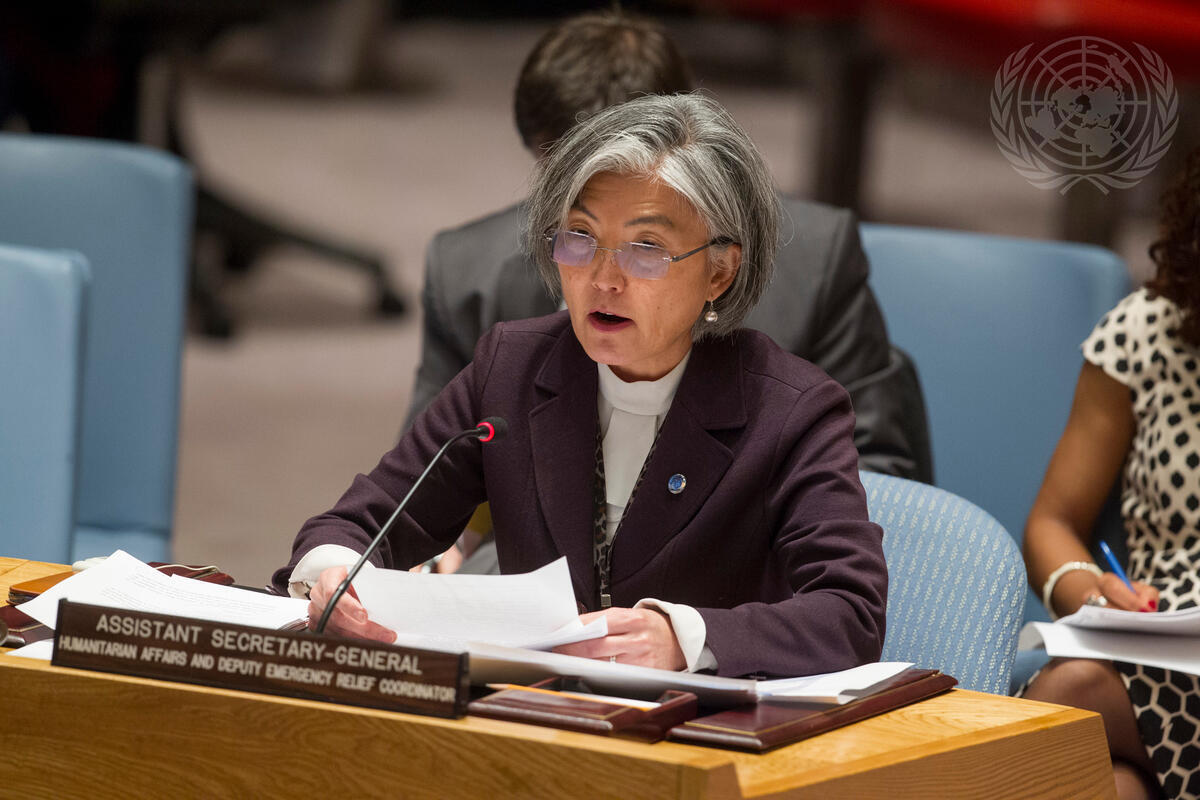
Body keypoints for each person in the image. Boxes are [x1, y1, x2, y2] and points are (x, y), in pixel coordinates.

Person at [273, 93, 887, 678]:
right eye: (581, 238)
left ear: (720, 272)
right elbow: (360, 523)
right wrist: (336, 576)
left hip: (701, 729)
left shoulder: (791, 411)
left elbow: (850, 612)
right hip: (530, 714)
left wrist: (686, 637)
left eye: (646, 248)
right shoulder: (511, 369)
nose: (604, 279)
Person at [408, 10, 927, 573]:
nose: (605, 277)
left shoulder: (815, 268)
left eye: (646, 242)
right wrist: (443, 550)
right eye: (568, 178)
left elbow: (877, 476)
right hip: (527, 582)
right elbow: (425, 480)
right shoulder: (468, 276)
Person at [1021, 145, 1200, 800]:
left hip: (1128, 695)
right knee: (1107, 785)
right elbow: (1052, 523)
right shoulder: (1147, 333)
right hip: (1161, 645)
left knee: (1071, 696)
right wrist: (1093, 596)